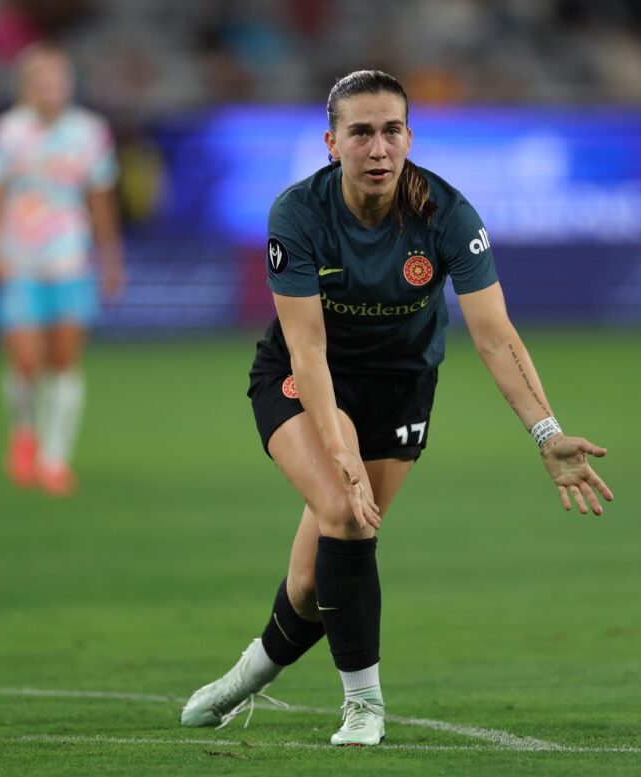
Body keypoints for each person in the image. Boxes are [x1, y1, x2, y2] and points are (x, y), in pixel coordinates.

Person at [179, 69, 613, 746]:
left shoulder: (447, 213)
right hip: (305, 378)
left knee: (308, 579)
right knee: (346, 515)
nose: (377, 148)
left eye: (390, 131)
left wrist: (546, 431)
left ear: (409, 137)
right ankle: (365, 705)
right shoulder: (297, 214)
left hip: (401, 386)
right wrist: (340, 447)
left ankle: (245, 676)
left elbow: (496, 336)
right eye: (361, 133)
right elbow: (308, 348)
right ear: (332, 143)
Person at [0, 42, 124, 496]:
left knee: (63, 361)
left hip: (71, 260)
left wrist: (110, 256)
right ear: (26, 86)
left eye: (58, 81)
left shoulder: (90, 132)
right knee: (25, 361)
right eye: (42, 82)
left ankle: (54, 459)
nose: (51, 90)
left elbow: (101, 199)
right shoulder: (7, 133)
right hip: (20, 259)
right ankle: (23, 431)